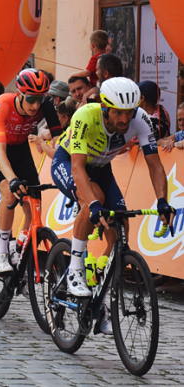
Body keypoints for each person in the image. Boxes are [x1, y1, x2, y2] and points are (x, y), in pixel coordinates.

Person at [51, 78, 174, 333]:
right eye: (118, 112)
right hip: (70, 163)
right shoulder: (86, 116)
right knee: (93, 198)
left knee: (120, 229)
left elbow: (155, 165)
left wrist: (163, 201)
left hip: (102, 167)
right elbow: (77, 168)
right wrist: (93, 204)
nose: (124, 119)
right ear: (105, 107)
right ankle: (75, 270)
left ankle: (101, 300)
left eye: (128, 113)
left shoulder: (141, 120)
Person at [0, 68, 62, 273]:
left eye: (40, 99)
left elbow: (60, 138)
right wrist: (13, 179)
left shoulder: (46, 105)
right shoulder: (3, 104)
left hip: (21, 148)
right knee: (9, 191)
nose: (35, 105)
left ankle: (21, 245)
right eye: (31, 98)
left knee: (34, 201)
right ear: (18, 93)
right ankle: (1, 253)